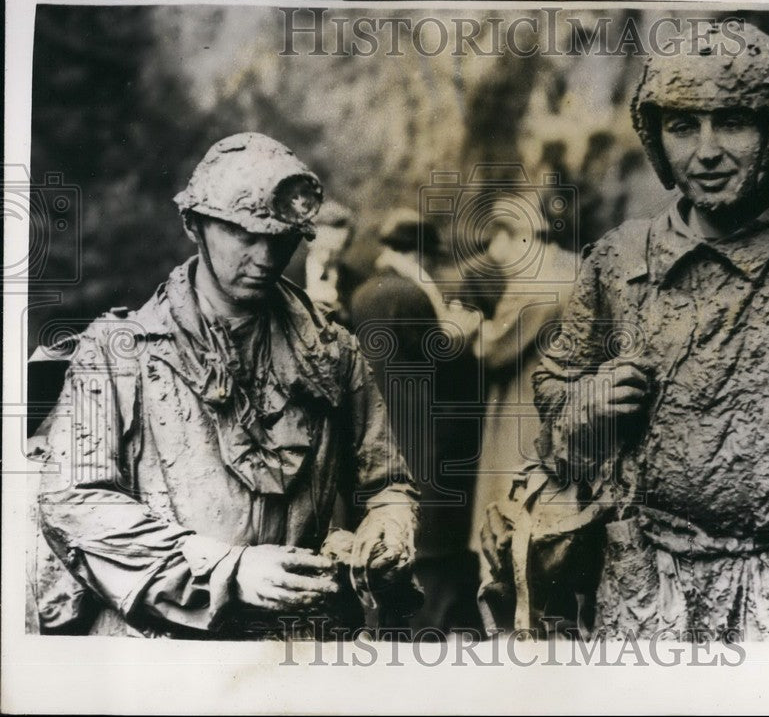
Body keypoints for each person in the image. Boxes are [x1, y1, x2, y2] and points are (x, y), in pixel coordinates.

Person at [484, 22, 769, 644]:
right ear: (656, 140)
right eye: (682, 126)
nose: (705, 151)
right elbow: (556, 426)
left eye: (732, 121)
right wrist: (586, 406)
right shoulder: (618, 261)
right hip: (642, 597)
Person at [31, 133, 419, 639]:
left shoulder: (335, 354)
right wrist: (228, 572)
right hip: (162, 652)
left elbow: (387, 483)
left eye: (281, 240)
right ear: (194, 225)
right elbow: (75, 501)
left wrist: (387, 530)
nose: (265, 257)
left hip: (297, 652)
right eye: (243, 235)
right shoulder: (115, 352)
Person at [349, 209, 483, 634]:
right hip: (424, 430)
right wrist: (464, 332)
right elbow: (440, 363)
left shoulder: (366, 292)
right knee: (432, 543)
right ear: (419, 253)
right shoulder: (410, 294)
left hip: (383, 426)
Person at [469, 195, 577, 580]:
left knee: (506, 527)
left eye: (499, 242)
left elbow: (492, 349)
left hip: (523, 415)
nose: (496, 255)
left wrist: (469, 328)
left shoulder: (533, 281)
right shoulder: (573, 265)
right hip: (565, 413)